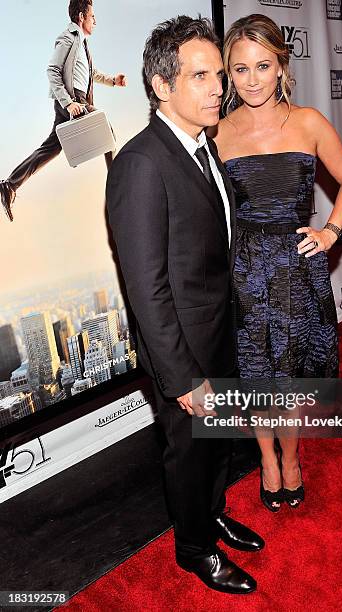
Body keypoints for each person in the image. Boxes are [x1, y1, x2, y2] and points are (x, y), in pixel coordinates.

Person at [105, 16, 263, 595]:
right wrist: (182, 377)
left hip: (218, 331)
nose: (218, 87)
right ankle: (194, 550)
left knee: (218, 445)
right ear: (160, 86)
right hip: (182, 352)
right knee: (190, 453)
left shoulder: (203, 149)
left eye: (218, 75)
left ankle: (211, 514)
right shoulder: (142, 164)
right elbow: (145, 286)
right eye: (201, 77)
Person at [211, 14, 342, 512]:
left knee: (291, 374)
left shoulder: (309, 121)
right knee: (255, 374)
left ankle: (291, 456)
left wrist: (331, 231)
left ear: (281, 66)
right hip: (247, 269)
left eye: (262, 65)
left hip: (297, 268)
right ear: (228, 75)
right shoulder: (217, 133)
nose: (252, 79)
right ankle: (266, 460)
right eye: (239, 69)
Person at [0, 0, 127, 222]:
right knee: (105, 131)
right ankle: (120, 190)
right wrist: (68, 103)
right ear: (81, 17)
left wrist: (112, 81)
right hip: (72, 101)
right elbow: (52, 71)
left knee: (51, 148)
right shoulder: (68, 38)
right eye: (92, 16)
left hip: (75, 101)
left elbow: (90, 72)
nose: (95, 21)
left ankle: (10, 185)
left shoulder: (82, 43)